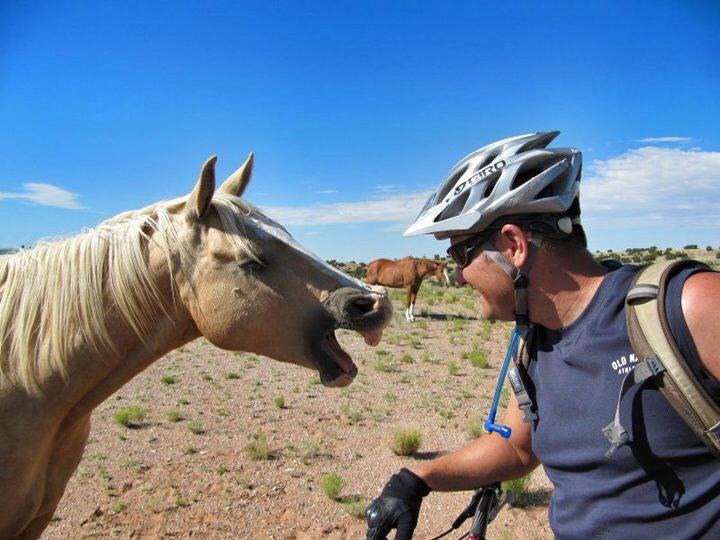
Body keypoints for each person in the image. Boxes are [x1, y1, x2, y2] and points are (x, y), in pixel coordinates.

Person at [365, 131, 720, 540]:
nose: (458, 277)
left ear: (514, 245)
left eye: (460, 255)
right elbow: (518, 449)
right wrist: (418, 478)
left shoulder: (685, 307)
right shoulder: (535, 340)